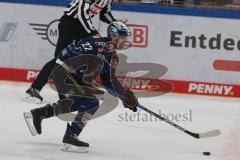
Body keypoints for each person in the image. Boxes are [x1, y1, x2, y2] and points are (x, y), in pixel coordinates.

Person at [23, 21, 139, 153]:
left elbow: (109, 81)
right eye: (123, 38)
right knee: (91, 102)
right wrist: (83, 69)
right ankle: (70, 138)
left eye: (127, 38)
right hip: (63, 72)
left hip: (76, 78)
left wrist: (127, 97)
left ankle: (39, 113)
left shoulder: (113, 57)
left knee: (74, 104)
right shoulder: (95, 43)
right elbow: (69, 54)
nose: (126, 41)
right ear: (113, 36)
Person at [23, 0, 121, 104]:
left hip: (82, 27)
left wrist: (116, 23)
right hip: (70, 23)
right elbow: (81, 13)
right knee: (60, 59)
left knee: (84, 57)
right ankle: (34, 88)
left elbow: (104, 14)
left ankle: (74, 90)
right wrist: (92, 32)